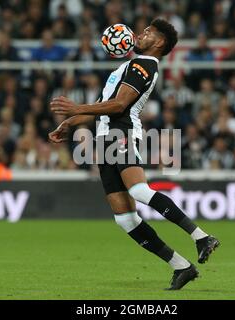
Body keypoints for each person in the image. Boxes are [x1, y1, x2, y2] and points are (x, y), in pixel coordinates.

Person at [48, 19, 219, 290]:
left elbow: (119, 105)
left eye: (149, 32)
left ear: (160, 43)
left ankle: (201, 236)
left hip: (121, 132)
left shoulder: (144, 65)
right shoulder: (130, 65)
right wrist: (71, 122)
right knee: (125, 219)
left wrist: (75, 108)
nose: (141, 33)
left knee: (139, 190)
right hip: (105, 138)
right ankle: (181, 266)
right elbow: (106, 105)